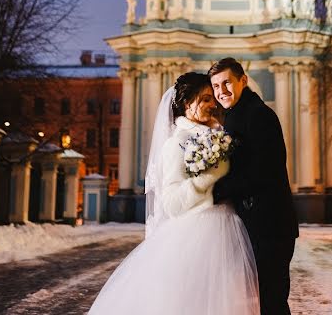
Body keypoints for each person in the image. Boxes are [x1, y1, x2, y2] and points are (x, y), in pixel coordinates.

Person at [89, 72, 259, 315]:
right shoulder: (176, 145)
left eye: (212, 99)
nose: (213, 104)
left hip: (229, 229)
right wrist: (206, 180)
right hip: (197, 236)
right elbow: (171, 203)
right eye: (205, 99)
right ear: (188, 104)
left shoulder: (219, 138)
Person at [210, 58, 298, 315]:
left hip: (269, 226)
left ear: (243, 81)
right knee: (261, 301)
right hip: (258, 224)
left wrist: (216, 190)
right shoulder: (238, 114)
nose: (221, 91)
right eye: (216, 86)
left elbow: (263, 172)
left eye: (227, 82)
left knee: (271, 302)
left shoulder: (258, 115)